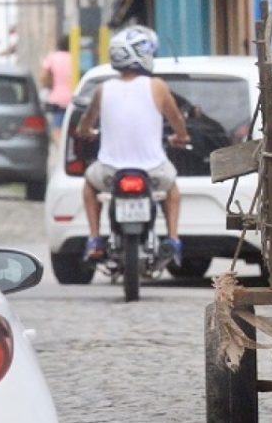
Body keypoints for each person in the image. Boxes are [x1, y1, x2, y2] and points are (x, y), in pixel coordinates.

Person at [75, 26, 191, 264]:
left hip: (109, 172)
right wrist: (181, 136)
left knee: (88, 185)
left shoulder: (102, 89)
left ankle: (95, 239)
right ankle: (173, 239)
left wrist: (86, 132)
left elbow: (85, 123)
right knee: (172, 189)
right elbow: (176, 119)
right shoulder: (157, 86)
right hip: (153, 172)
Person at [39, 36, 73, 144]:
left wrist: (50, 85)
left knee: (57, 128)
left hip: (57, 99)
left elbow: (43, 77)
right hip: (76, 98)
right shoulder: (77, 57)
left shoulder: (52, 57)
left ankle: (61, 149)